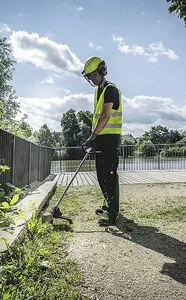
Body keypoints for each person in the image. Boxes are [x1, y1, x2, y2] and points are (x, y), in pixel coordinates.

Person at [81, 56, 122, 225]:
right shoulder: (98, 91)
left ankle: (112, 214)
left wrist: (92, 137)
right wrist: (93, 135)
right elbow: (98, 117)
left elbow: (105, 116)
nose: (92, 79)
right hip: (101, 138)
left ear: (102, 71)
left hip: (110, 139)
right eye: (90, 76)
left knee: (109, 175)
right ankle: (107, 204)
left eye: (94, 75)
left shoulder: (110, 90)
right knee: (100, 175)